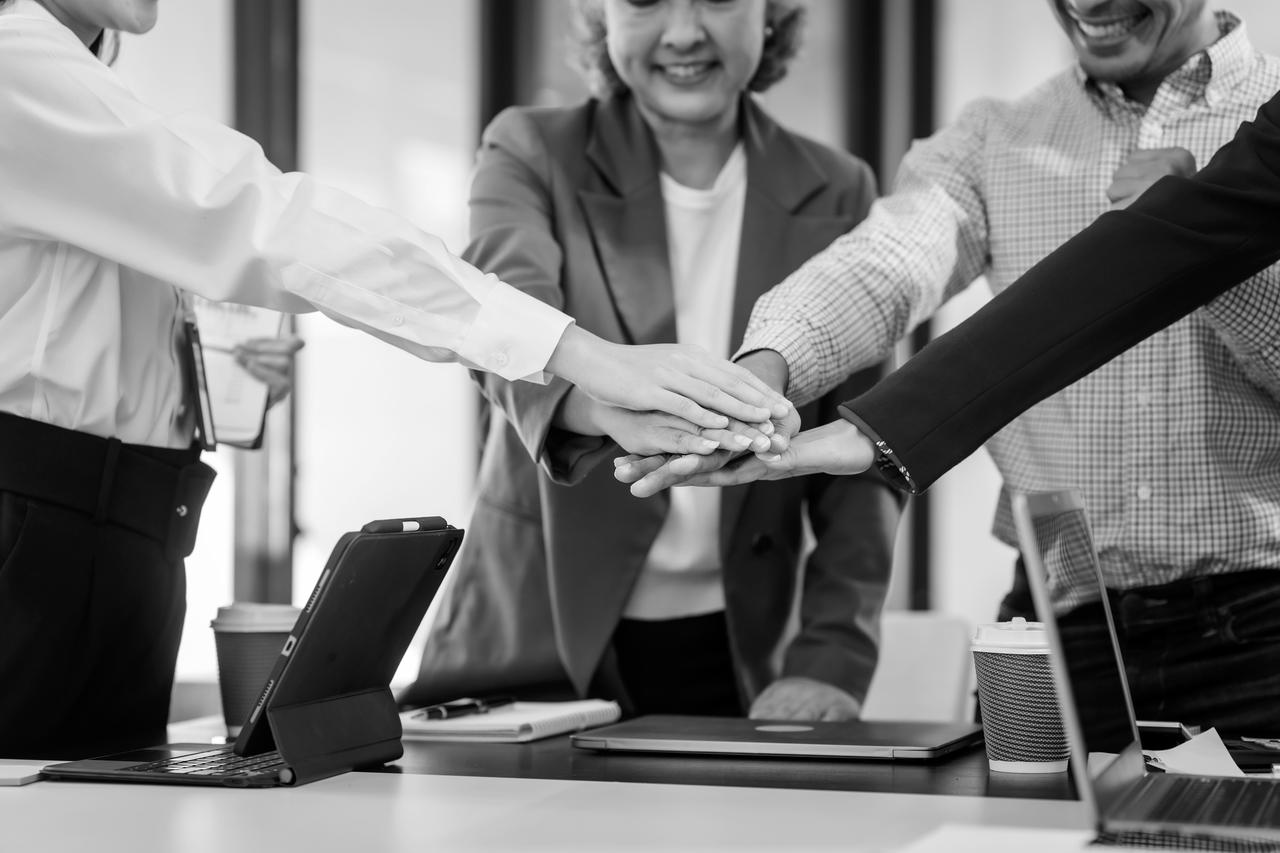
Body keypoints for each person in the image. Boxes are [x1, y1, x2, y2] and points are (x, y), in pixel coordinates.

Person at [0, 0, 793, 758]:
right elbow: (261, 217)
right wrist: (582, 353)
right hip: (38, 539)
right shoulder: (14, 65)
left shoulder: (86, 75)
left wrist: (200, 369)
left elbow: (55, 328)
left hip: (122, 541)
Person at [620, 0, 1280, 735]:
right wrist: (768, 368)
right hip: (1061, 633)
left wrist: (1207, 252)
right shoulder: (996, 136)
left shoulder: (1267, 124)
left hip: (1263, 630)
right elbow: (887, 262)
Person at [402, 0, 901, 721]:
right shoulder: (531, 148)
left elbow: (863, 453)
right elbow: (499, 319)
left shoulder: (838, 187)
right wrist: (601, 400)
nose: (683, 32)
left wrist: (833, 658)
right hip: (530, 630)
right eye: (644, 0)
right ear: (600, 15)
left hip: (736, 650)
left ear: (770, 14)